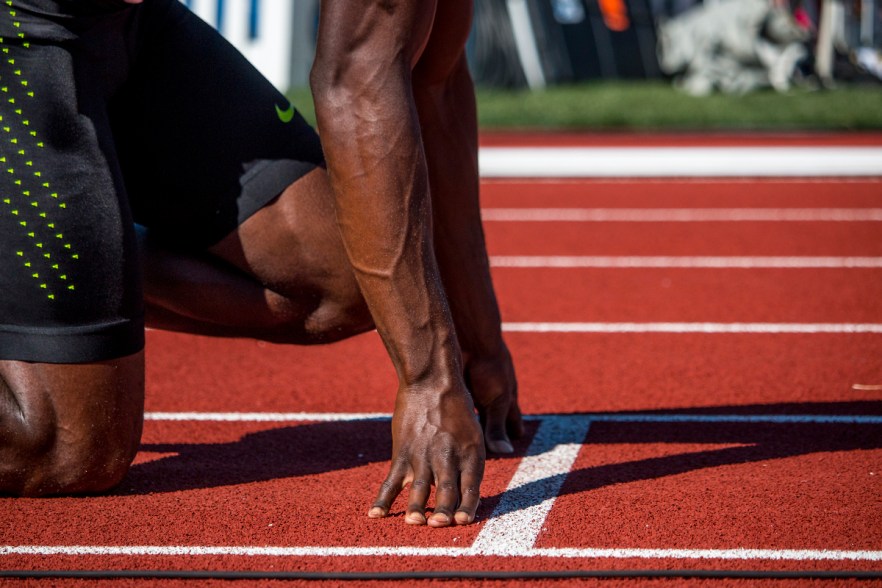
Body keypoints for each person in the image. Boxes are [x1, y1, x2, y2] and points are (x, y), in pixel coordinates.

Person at [0, 0, 523, 528]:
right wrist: (430, 379)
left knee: (348, 280)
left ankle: (58, 265)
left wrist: (479, 339)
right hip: (18, 23)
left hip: (123, 23)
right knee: (63, 448)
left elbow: (437, 73)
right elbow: (357, 81)